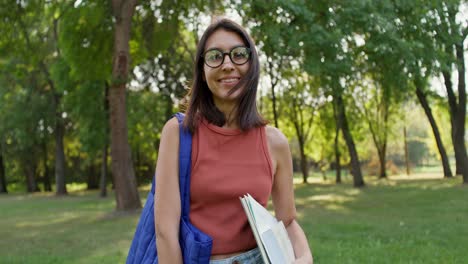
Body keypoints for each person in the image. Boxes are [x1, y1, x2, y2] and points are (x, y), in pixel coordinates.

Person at [154, 18, 313, 264]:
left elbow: (288, 221)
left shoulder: (275, 142)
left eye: (239, 54)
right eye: (215, 56)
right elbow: (165, 232)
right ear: (202, 69)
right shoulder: (178, 133)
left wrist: (304, 257)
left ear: (252, 64)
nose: (228, 65)